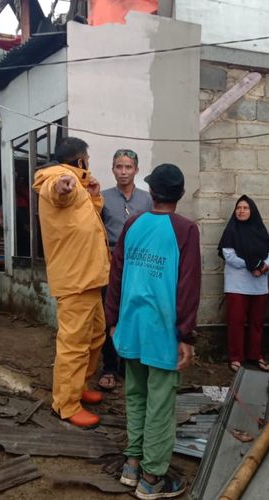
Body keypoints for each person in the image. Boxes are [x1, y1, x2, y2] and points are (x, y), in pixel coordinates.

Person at [105, 163, 200, 499]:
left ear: (152, 192)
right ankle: (152, 479)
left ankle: (133, 464)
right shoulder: (186, 230)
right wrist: (186, 335)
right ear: (180, 195)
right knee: (160, 404)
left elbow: (115, 276)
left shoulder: (133, 225)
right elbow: (188, 286)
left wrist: (113, 320)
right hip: (162, 332)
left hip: (130, 326)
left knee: (136, 395)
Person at [32, 137, 110, 428]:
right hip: (76, 279)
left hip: (89, 276)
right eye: (87, 159)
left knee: (96, 335)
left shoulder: (80, 184)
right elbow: (56, 190)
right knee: (74, 344)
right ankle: (65, 404)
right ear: (80, 161)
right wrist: (64, 184)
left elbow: (84, 218)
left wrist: (94, 195)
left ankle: (77, 387)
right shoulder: (56, 178)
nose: (88, 163)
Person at [98, 148, 153, 390]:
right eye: (119, 167)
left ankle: (127, 366)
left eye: (128, 167)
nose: (123, 172)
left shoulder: (146, 199)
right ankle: (109, 367)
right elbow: (95, 231)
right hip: (109, 265)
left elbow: (152, 232)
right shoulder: (101, 198)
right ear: (113, 169)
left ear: (136, 170)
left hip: (138, 266)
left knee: (133, 314)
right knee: (109, 316)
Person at [217, 195, 269, 372]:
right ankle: (236, 357)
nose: (241, 211)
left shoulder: (260, 230)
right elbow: (229, 255)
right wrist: (254, 265)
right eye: (238, 208)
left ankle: (255, 355)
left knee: (256, 323)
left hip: (259, 284)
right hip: (237, 284)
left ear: (252, 211)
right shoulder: (231, 231)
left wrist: (265, 266)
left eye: (245, 208)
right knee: (236, 322)